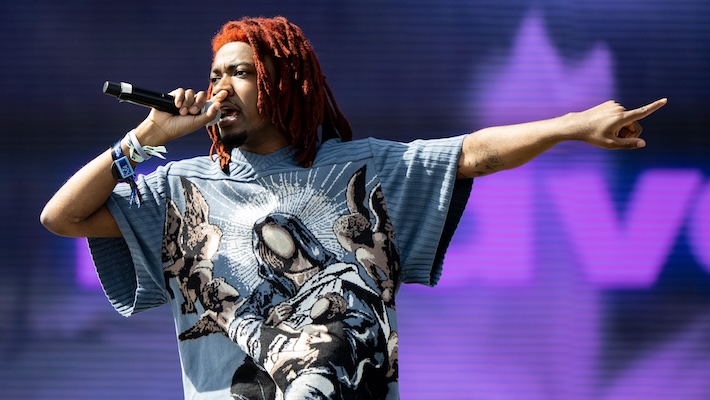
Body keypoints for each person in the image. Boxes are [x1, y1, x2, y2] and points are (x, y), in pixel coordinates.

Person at [40, 15, 666, 400]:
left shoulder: (365, 170)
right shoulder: (183, 190)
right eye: (214, 75)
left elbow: (474, 153)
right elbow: (61, 216)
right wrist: (143, 140)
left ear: (284, 82)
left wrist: (573, 124)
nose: (219, 88)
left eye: (241, 73)